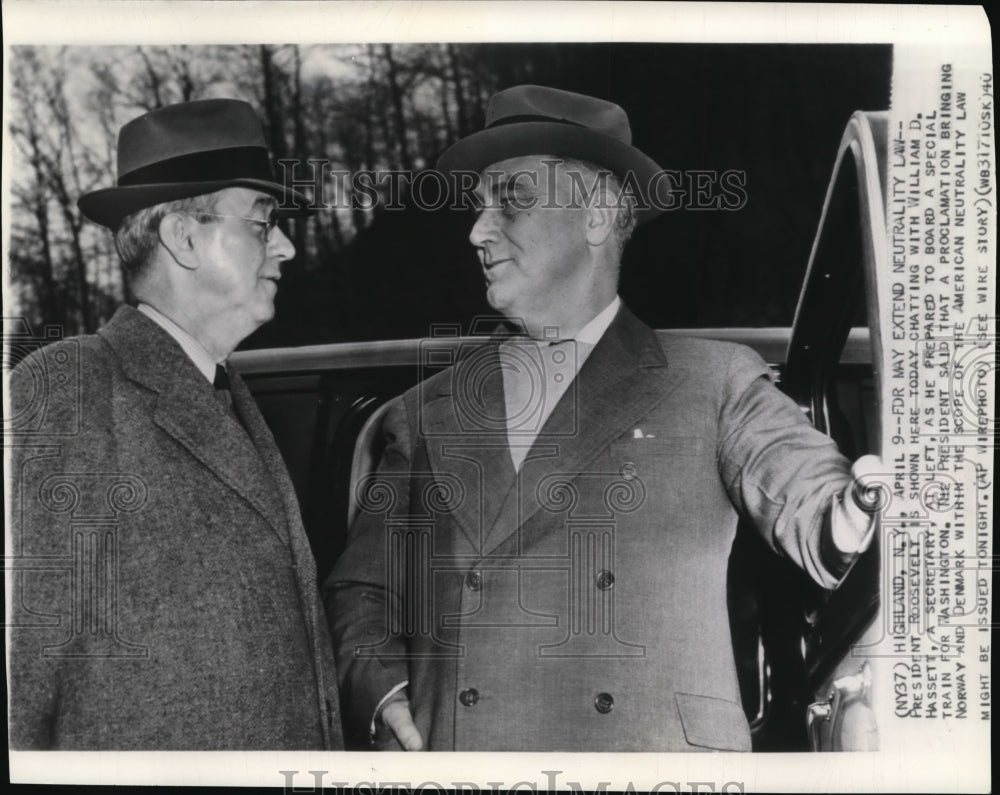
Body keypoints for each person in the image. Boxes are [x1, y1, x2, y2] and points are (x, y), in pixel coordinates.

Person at [324, 85, 879, 752]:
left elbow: (800, 480)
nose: (477, 230)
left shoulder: (711, 379)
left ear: (595, 214)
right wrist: (385, 695)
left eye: (512, 199)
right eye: (478, 206)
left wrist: (847, 508)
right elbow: (361, 588)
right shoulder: (423, 411)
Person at [6, 99, 342, 750]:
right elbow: (22, 670)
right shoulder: (70, 386)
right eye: (262, 222)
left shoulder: (226, 390)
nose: (288, 246)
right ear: (185, 239)